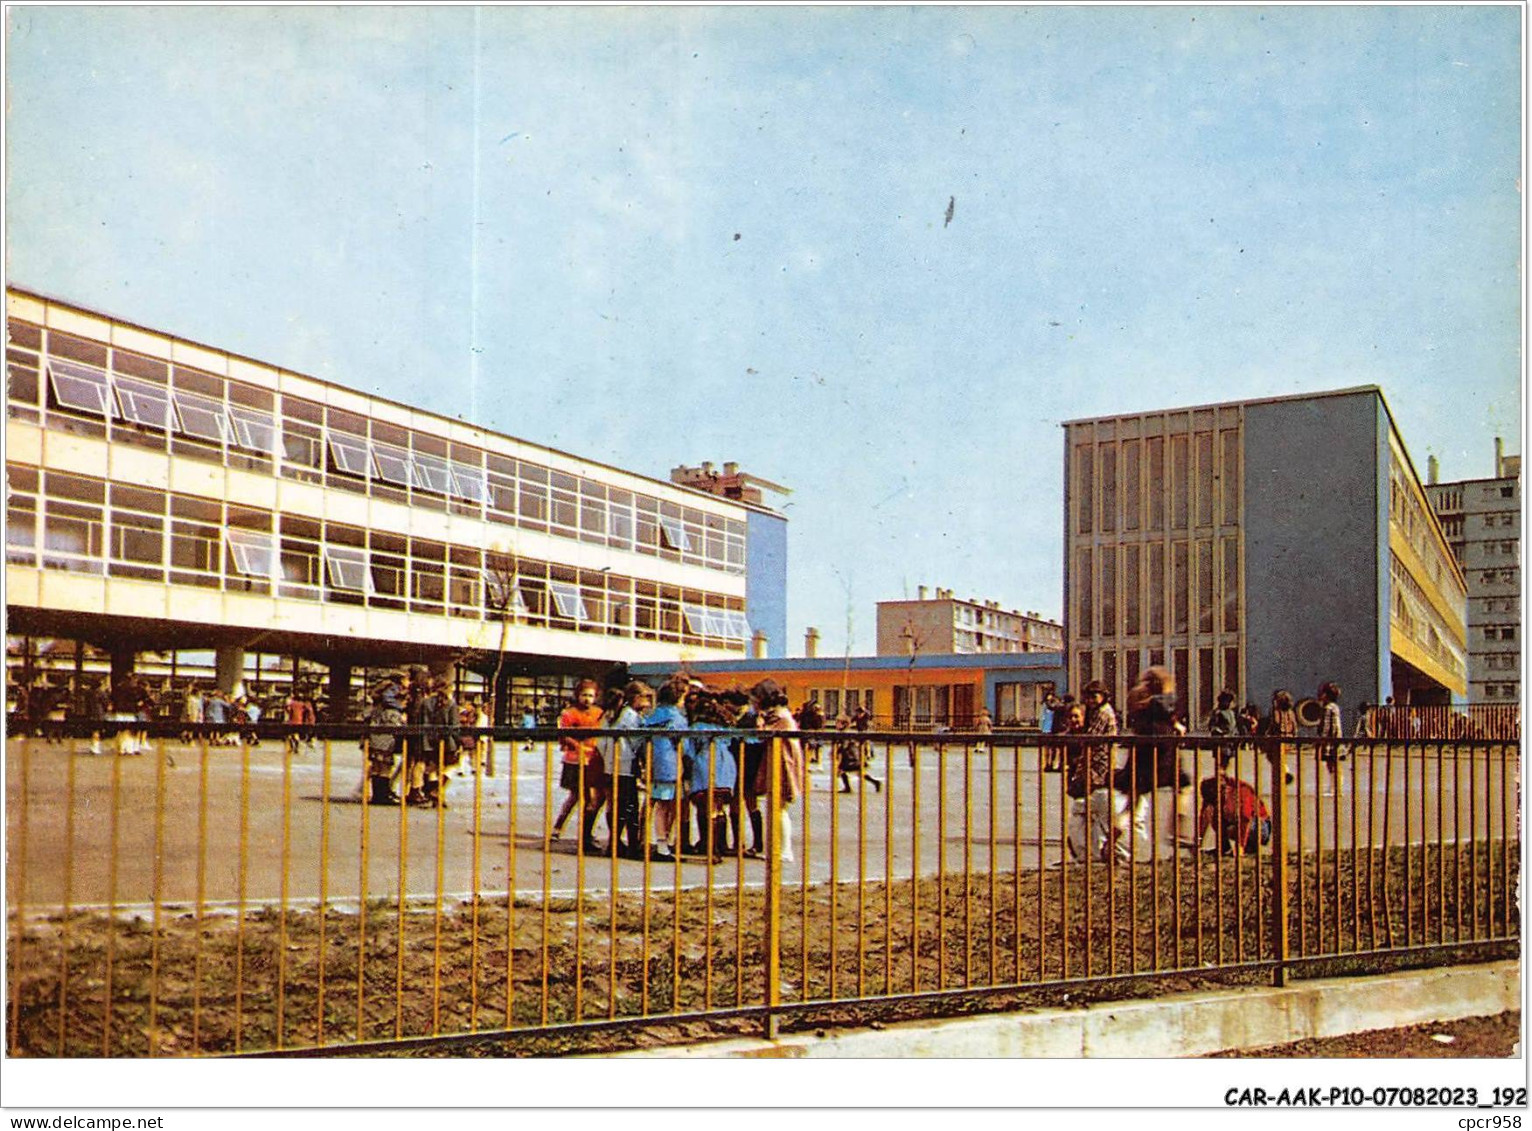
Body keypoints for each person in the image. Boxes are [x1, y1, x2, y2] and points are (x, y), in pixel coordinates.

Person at [1119, 666, 1187, 857]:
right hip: (1165, 755)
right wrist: (1177, 726)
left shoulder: (1137, 699)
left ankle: (1111, 839)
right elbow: (1176, 724)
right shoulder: (1164, 702)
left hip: (1141, 755)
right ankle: (1176, 828)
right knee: (1184, 787)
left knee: (1130, 805)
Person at [750, 679, 805, 863]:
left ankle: (784, 849)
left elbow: (761, 734)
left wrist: (759, 721)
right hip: (780, 763)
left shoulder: (779, 717)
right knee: (776, 809)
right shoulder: (779, 715)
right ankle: (779, 848)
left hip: (783, 765)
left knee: (779, 809)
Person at [550, 679, 606, 851]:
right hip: (575, 758)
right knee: (576, 796)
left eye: (590, 696)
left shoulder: (599, 713)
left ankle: (585, 832)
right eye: (584, 695)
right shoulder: (570, 713)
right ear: (577, 695)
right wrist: (578, 746)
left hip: (593, 758)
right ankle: (559, 827)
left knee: (591, 797)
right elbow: (564, 734)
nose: (587, 699)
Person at [682, 693, 737, 861]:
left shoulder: (696, 727)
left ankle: (709, 847)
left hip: (705, 764)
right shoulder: (722, 728)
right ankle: (721, 845)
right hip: (726, 765)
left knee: (706, 807)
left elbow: (689, 751)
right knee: (719, 807)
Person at [641, 679, 688, 860]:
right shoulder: (677, 718)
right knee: (666, 806)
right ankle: (662, 845)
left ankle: (653, 841)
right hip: (671, 764)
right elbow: (684, 745)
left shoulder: (652, 716)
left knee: (656, 803)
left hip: (653, 762)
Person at [610, 681, 653, 859]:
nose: (648, 704)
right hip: (625, 764)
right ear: (636, 698)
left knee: (623, 806)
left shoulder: (625, 713)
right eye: (646, 699)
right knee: (629, 807)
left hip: (620, 765)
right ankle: (632, 846)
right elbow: (636, 741)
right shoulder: (630, 715)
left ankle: (618, 842)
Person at [1197, 763, 1270, 855]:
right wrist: (1199, 842)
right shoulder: (1210, 790)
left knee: (1231, 822)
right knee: (1212, 813)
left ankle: (1249, 845)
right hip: (1239, 822)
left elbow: (1245, 819)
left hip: (1260, 825)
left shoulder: (1240, 791)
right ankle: (1224, 847)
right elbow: (1204, 818)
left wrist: (1240, 847)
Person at [362, 675, 405, 805]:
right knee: (385, 767)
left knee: (376, 767)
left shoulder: (376, 708)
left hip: (374, 739)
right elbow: (397, 726)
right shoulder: (391, 710)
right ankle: (383, 796)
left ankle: (376, 795)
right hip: (386, 741)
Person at [836, 713, 882, 793]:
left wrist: (838, 751)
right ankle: (875, 782)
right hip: (853, 756)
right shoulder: (847, 732)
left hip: (850, 757)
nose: (836, 724)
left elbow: (844, 746)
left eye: (838, 722)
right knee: (859, 773)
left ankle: (848, 788)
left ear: (844, 724)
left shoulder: (844, 733)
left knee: (842, 771)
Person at [1316, 681, 1343, 773]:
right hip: (1337, 738)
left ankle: (1334, 783)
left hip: (1329, 740)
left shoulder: (1327, 708)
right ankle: (1337, 782)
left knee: (1330, 764)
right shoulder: (1335, 707)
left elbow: (1326, 725)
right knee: (1335, 764)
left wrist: (1321, 739)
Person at [1206, 689, 1238, 768]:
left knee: (1227, 763)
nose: (1230, 703)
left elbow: (1233, 726)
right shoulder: (1218, 713)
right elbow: (1212, 727)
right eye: (1228, 701)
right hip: (1221, 743)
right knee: (1220, 763)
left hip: (1230, 743)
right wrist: (1220, 733)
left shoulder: (1231, 713)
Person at [797, 699, 826, 766]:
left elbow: (820, 725)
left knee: (816, 746)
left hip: (815, 733)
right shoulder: (807, 715)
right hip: (810, 733)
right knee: (810, 747)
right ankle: (809, 762)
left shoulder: (817, 715)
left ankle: (815, 762)